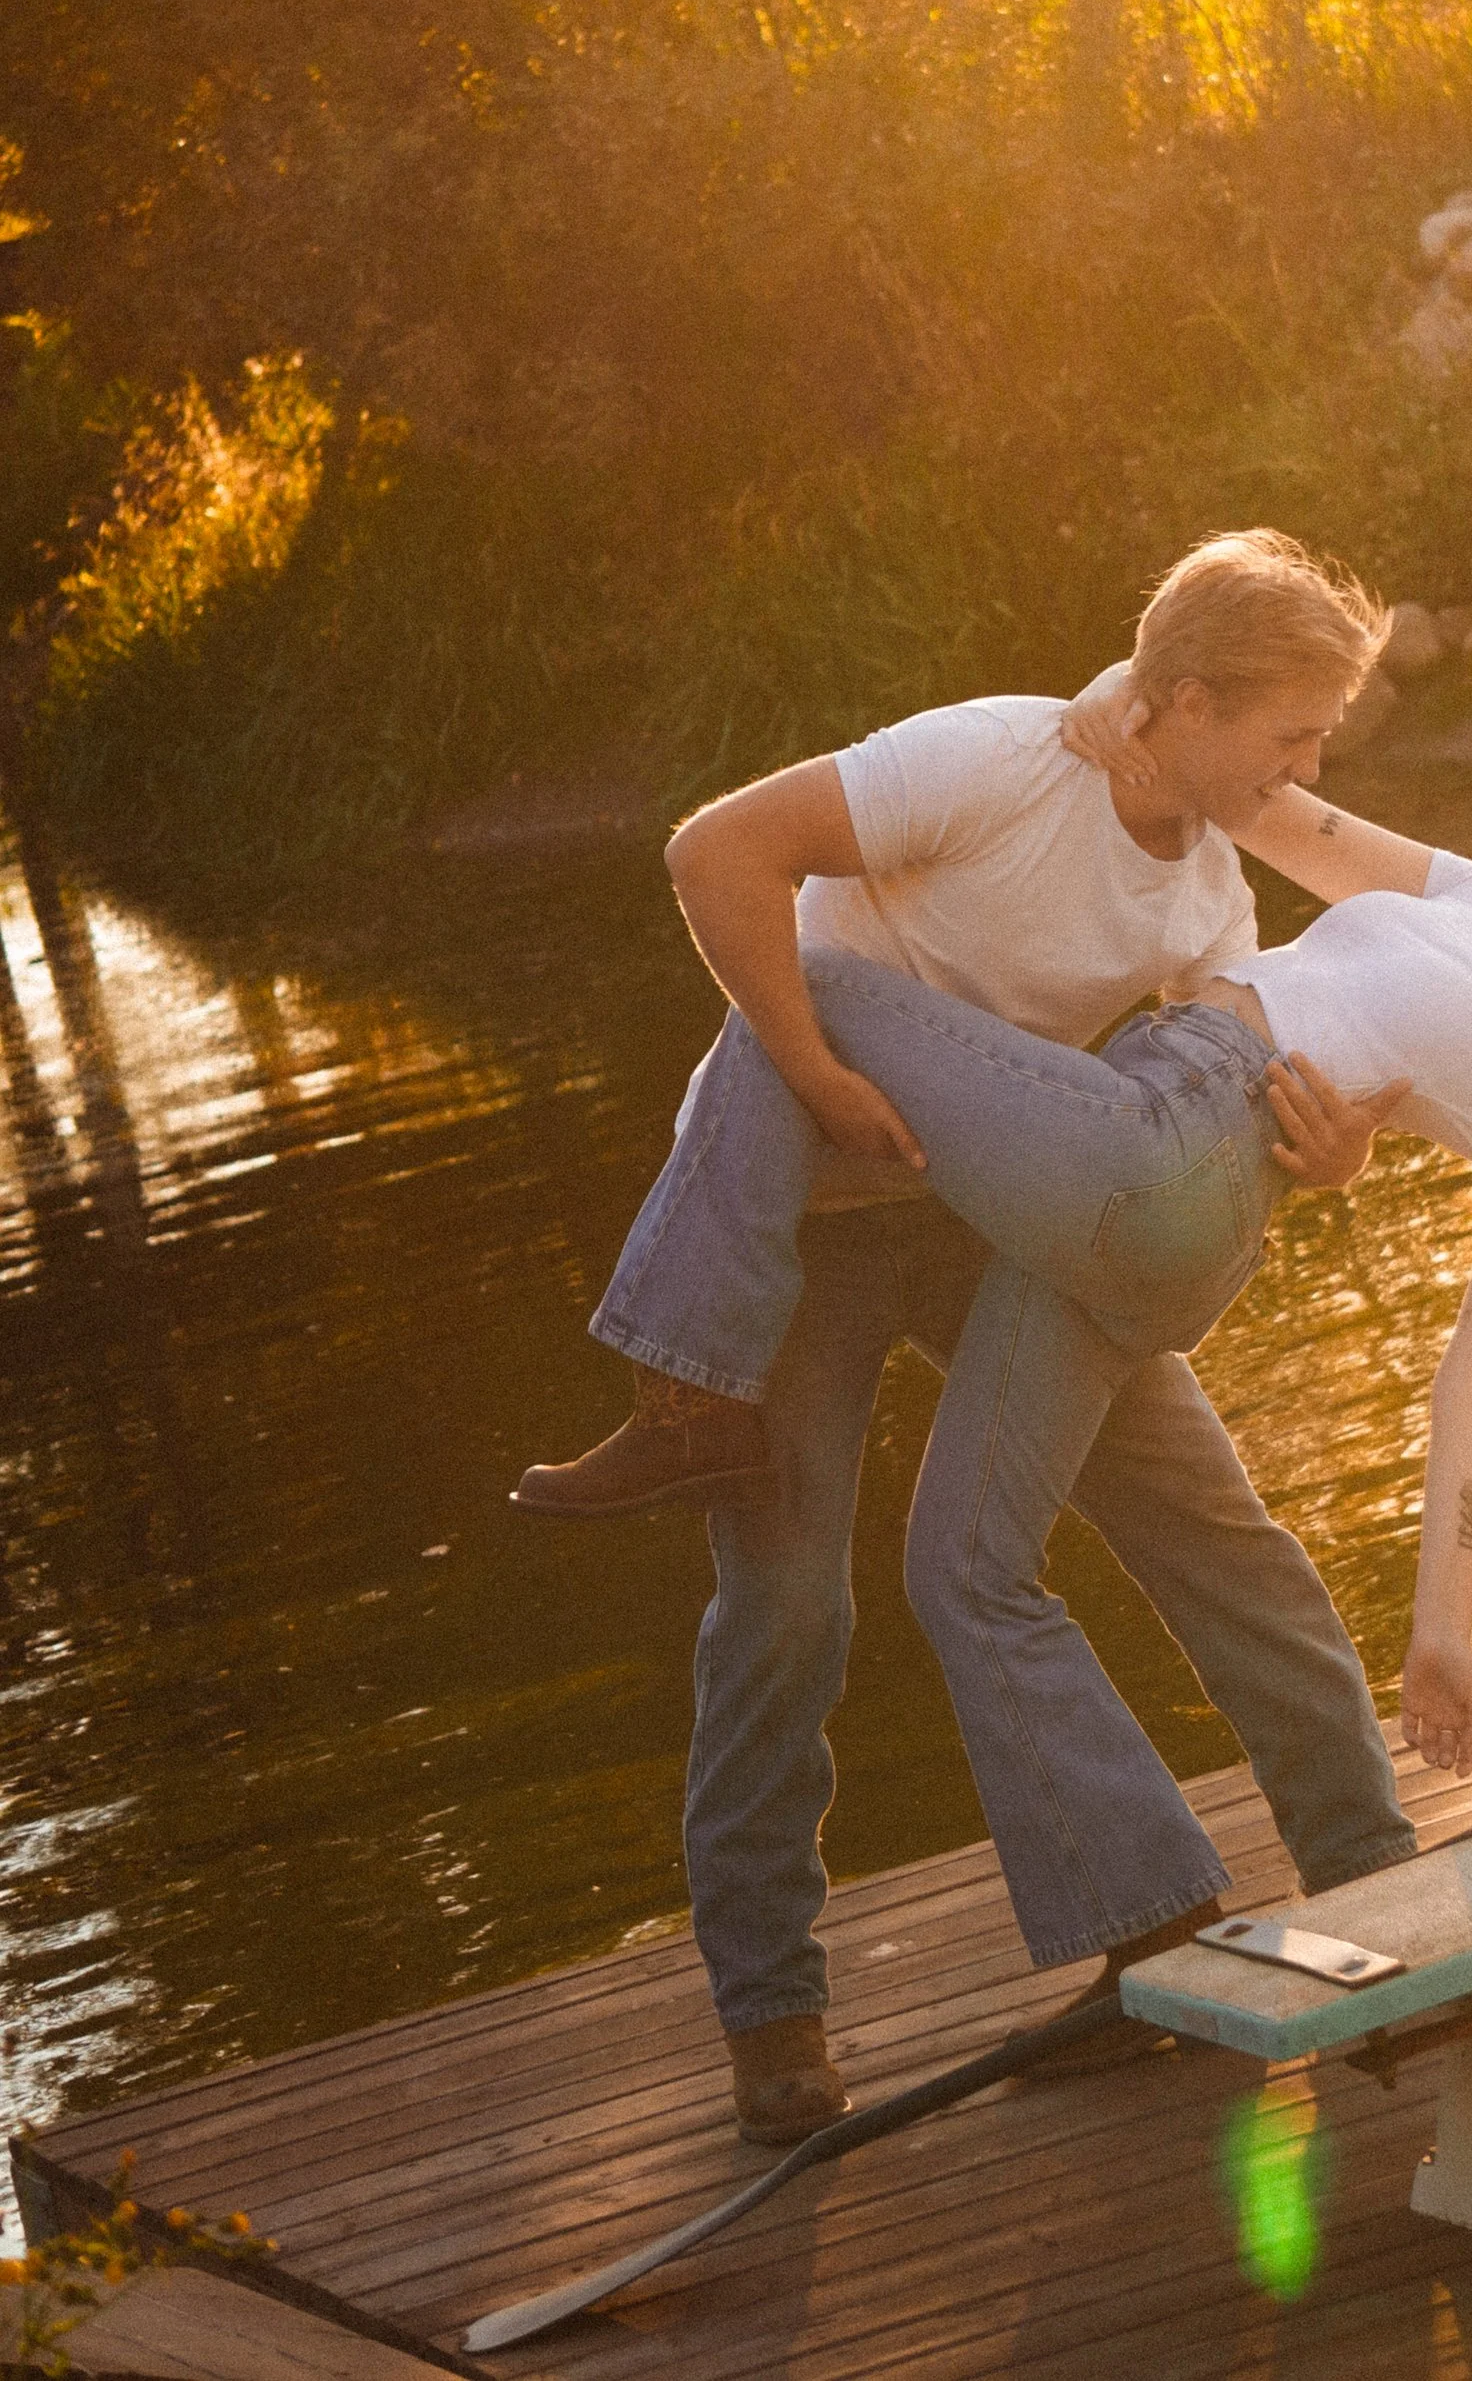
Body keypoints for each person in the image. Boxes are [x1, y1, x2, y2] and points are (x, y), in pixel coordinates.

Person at [549, 659, 1472, 2038]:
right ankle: (1201, 1918)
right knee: (982, 1561)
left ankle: (681, 1378)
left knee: (799, 988)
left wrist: (1445, 1626)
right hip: (1087, 1163)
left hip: (1164, 1161)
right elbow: (1266, 804)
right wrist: (1145, 688)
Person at [514, 532, 1424, 2144]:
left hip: (995, 1218)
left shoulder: (1211, 888)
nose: (1309, 770)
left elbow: (1197, 1108)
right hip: (804, 1212)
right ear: (1191, 699)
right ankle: (775, 2021)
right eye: (1290, 736)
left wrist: (1324, 1143)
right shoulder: (993, 763)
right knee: (786, 1612)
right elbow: (718, 850)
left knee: (1212, 1524)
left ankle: (1385, 1877)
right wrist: (812, 1073)